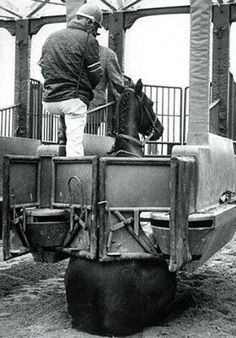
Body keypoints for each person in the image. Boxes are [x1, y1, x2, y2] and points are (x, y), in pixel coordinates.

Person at [40, 3, 103, 156]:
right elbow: (96, 74)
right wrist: (86, 91)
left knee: (65, 111)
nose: (95, 33)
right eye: (96, 28)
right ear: (89, 22)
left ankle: (59, 144)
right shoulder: (89, 39)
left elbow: (44, 69)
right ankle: (74, 174)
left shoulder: (51, 37)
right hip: (73, 100)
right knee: (75, 144)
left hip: (49, 101)